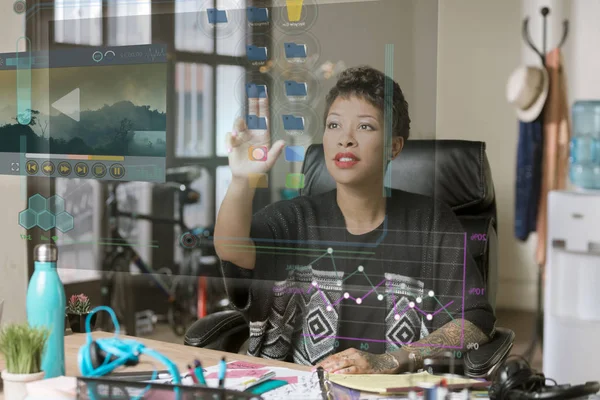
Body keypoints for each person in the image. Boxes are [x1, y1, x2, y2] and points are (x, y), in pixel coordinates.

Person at [214, 65, 496, 374]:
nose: (345, 139)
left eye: (365, 127)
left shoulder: (430, 222)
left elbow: (475, 321)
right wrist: (241, 181)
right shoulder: (295, 218)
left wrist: (390, 361)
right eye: (334, 125)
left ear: (394, 146)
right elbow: (231, 248)